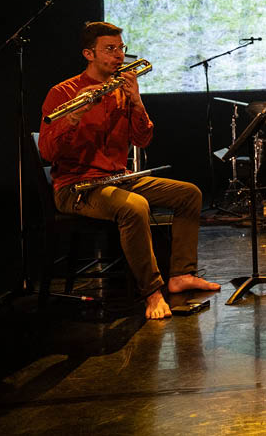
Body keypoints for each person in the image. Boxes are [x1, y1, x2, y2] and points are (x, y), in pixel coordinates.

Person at [39, 21, 220, 319]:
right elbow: (47, 152)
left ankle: (181, 274)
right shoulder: (63, 92)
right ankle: (151, 293)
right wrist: (73, 117)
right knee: (135, 207)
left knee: (189, 194)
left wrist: (136, 101)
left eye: (120, 48)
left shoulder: (122, 89)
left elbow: (142, 139)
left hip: (116, 180)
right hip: (76, 187)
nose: (119, 55)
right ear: (89, 54)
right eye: (109, 49)